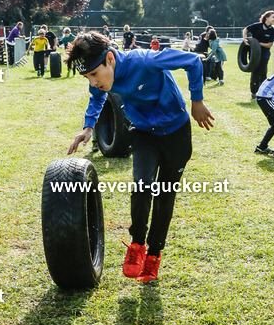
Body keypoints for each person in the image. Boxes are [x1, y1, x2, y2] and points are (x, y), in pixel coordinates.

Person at [66, 31, 214, 282]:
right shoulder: (105, 80)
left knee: (165, 195)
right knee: (142, 187)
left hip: (176, 134)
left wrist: (197, 100)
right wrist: (88, 127)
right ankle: (137, 245)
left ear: (110, 59)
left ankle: (154, 257)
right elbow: (97, 96)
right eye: (87, 77)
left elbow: (192, 62)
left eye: (93, 74)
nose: (92, 82)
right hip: (144, 134)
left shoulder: (145, 60)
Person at [244, 10, 274, 96]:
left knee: (263, 72)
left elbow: (269, 45)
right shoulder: (257, 26)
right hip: (254, 53)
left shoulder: (272, 31)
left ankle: (263, 92)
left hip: (264, 53)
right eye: (273, 17)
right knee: (255, 71)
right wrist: (244, 39)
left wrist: (258, 43)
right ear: (267, 18)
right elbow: (246, 29)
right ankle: (253, 92)